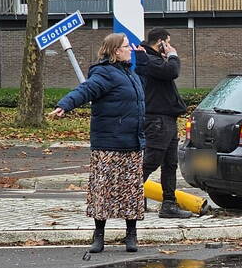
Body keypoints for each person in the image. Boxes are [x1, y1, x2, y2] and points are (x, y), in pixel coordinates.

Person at [49, 33, 145, 253]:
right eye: (126, 46)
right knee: (103, 190)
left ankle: (131, 235)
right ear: (115, 51)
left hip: (132, 142)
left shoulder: (130, 73)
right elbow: (85, 90)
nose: (130, 49)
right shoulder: (104, 73)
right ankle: (99, 236)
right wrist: (65, 105)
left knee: (131, 191)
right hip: (108, 144)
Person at [135, 28, 192, 219]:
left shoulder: (151, 59)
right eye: (167, 42)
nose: (168, 46)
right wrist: (172, 54)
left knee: (170, 163)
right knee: (151, 162)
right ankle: (129, 197)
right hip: (158, 119)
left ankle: (169, 204)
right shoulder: (149, 60)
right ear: (160, 42)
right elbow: (172, 71)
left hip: (167, 118)